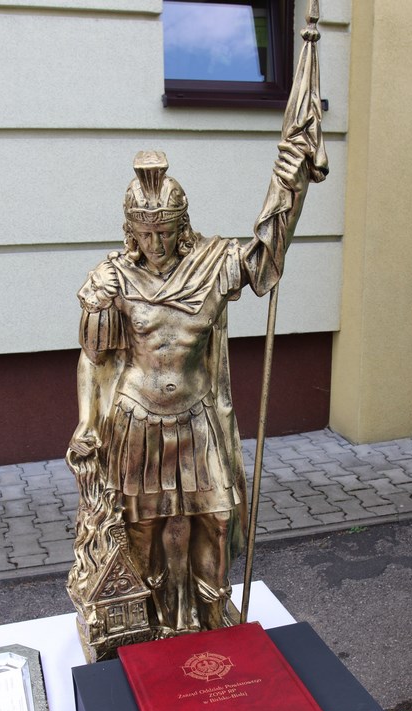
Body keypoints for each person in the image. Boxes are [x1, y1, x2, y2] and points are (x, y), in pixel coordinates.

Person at [66, 139, 326, 638]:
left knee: (218, 519)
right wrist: (86, 420)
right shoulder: (112, 279)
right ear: (131, 232)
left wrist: (290, 184)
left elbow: (265, 256)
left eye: (165, 232)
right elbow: (94, 361)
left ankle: (211, 616)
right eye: (145, 234)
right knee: (143, 527)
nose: (156, 244)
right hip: (137, 418)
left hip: (198, 416)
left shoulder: (212, 265)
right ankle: (154, 621)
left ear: (182, 227)